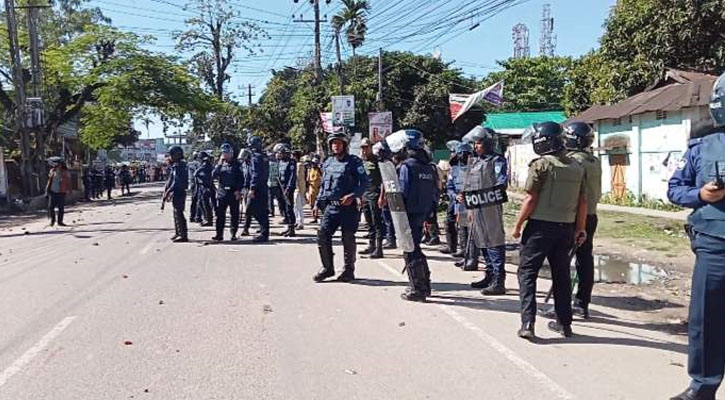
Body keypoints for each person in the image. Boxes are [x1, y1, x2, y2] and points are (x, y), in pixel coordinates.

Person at [667, 73, 725, 400]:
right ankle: (702, 388)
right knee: (706, 321)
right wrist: (701, 194)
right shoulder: (702, 145)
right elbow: (675, 189)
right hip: (714, 245)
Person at [511, 121, 587, 340]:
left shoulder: (541, 165)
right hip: (566, 229)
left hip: (539, 228)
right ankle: (565, 325)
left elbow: (530, 198)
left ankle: (528, 323)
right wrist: (580, 229)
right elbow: (583, 201)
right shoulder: (576, 166)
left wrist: (517, 226)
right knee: (561, 275)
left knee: (527, 273)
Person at [312, 131, 370, 283]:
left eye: (338, 143)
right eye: (333, 143)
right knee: (322, 235)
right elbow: (324, 185)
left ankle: (348, 270)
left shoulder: (354, 162)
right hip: (330, 208)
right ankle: (327, 268)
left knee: (348, 239)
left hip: (348, 209)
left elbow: (365, 183)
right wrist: (317, 203)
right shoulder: (328, 162)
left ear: (344, 145)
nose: (335, 146)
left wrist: (353, 196)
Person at [463, 127, 509, 296]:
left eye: (479, 143)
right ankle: (489, 274)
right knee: (481, 240)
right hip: (476, 208)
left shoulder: (496, 161)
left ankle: (499, 279)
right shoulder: (474, 162)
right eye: (474, 143)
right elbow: (469, 184)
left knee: (494, 241)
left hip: (490, 207)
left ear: (488, 143)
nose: (476, 146)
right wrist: (467, 200)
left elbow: (501, 183)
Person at [564, 121, 602, 319]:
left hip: (575, 215)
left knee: (564, 259)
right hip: (592, 215)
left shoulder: (574, 161)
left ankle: (566, 303)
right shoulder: (594, 161)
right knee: (585, 259)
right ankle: (582, 302)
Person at [397, 129, 438, 302]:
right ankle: (425, 284)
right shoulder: (428, 167)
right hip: (423, 212)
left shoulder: (407, 166)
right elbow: (434, 192)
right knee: (416, 249)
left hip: (409, 214)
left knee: (410, 250)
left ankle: (417, 288)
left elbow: (403, 192)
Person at [358, 138, 385, 259]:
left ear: (370, 147)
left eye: (366, 147)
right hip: (364, 195)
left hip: (375, 194)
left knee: (377, 222)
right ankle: (371, 245)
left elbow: (383, 180)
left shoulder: (377, 161)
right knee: (369, 223)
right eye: (362, 148)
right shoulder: (360, 162)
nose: (364, 150)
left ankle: (379, 248)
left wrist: (382, 196)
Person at [212, 143, 243, 242]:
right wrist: (219, 164)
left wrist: (239, 191)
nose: (225, 155)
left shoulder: (237, 164)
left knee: (234, 215)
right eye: (223, 153)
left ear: (231, 153)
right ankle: (219, 234)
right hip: (222, 192)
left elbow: (241, 179)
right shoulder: (220, 164)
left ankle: (233, 234)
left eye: (227, 153)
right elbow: (213, 175)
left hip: (233, 192)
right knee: (220, 215)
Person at [163, 146, 189, 243]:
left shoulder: (179, 166)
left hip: (179, 191)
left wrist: (168, 191)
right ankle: (178, 232)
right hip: (177, 191)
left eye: (171, 155)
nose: (169, 157)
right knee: (176, 213)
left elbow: (176, 182)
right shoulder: (176, 165)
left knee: (179, 213)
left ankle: (183, 235)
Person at [247, 136, 270, 243]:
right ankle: (263, 230)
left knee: (253, 210)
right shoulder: (264, 156)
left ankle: (264, 233)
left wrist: (252, 188)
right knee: (262, 210)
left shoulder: (256, 157)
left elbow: (256, 174)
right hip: (264, 186)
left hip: (258, 188)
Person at [276, 144, 297, 237]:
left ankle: (292, 229)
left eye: (281, 153)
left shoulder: (291, 162)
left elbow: (292, 177)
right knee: (283, 208)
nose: (279, 154)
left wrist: (288, 189)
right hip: (281, 186)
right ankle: (288, 227)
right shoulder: (280, 162)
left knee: (289, 208)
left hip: (288, 188)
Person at [45, 157, 71, 227]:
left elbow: (68, 182)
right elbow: (49, 181)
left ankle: (60, 221)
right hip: (53, 191)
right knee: (51, 207)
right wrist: (47, 190)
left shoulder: (65, 172)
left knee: (61, 208)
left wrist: (69, 190)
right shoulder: (52, 171)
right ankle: (52, 221)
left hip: (61, 192)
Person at [194, 151, 215, 226]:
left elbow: (195, 173)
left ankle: (208, 220)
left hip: (205, 186)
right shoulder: (208, 165)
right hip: (205, 186)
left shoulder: (205, 165)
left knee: (205, 204)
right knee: (201, 203)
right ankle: (206, 218)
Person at [238, 148, 254, 236]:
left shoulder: (254, 164)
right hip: (245, 188)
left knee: (251, 210)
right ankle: (246, 228)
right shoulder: (243, 165)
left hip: (253, 189)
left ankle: (247, 228)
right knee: (247, 210)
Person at [293, 151, 307, 230]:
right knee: (295, 206)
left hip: (299, 188)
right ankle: (297, 221)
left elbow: (299, 178)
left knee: (299, 207)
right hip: (295, 188)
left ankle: (301, 223)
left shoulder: (299, 165)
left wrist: (300, 189)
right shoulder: (295, 165)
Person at [306, 154, 322, 224]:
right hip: (311, 189)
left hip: (318, 189)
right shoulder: (310, 170)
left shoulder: (320, 170)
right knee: (312, 204)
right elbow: (308, 179)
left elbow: (323, 178)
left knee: (320, 204)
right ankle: (314, 217)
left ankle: (320, 216)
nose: (313, 165)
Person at [268, 153, 283, 218]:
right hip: (273, 184)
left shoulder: (275, 164)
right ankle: (279, 212)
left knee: (274, 199)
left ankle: (274, 212)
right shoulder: (277, 164)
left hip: (274, 184)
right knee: (276, 199)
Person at [188, 152, 201, 223]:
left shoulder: (189, 164)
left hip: (192, 183)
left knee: (193, 200)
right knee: (199, 200)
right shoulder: (200, 164)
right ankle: (197, 216)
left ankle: (192, 216)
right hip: (198, 183)